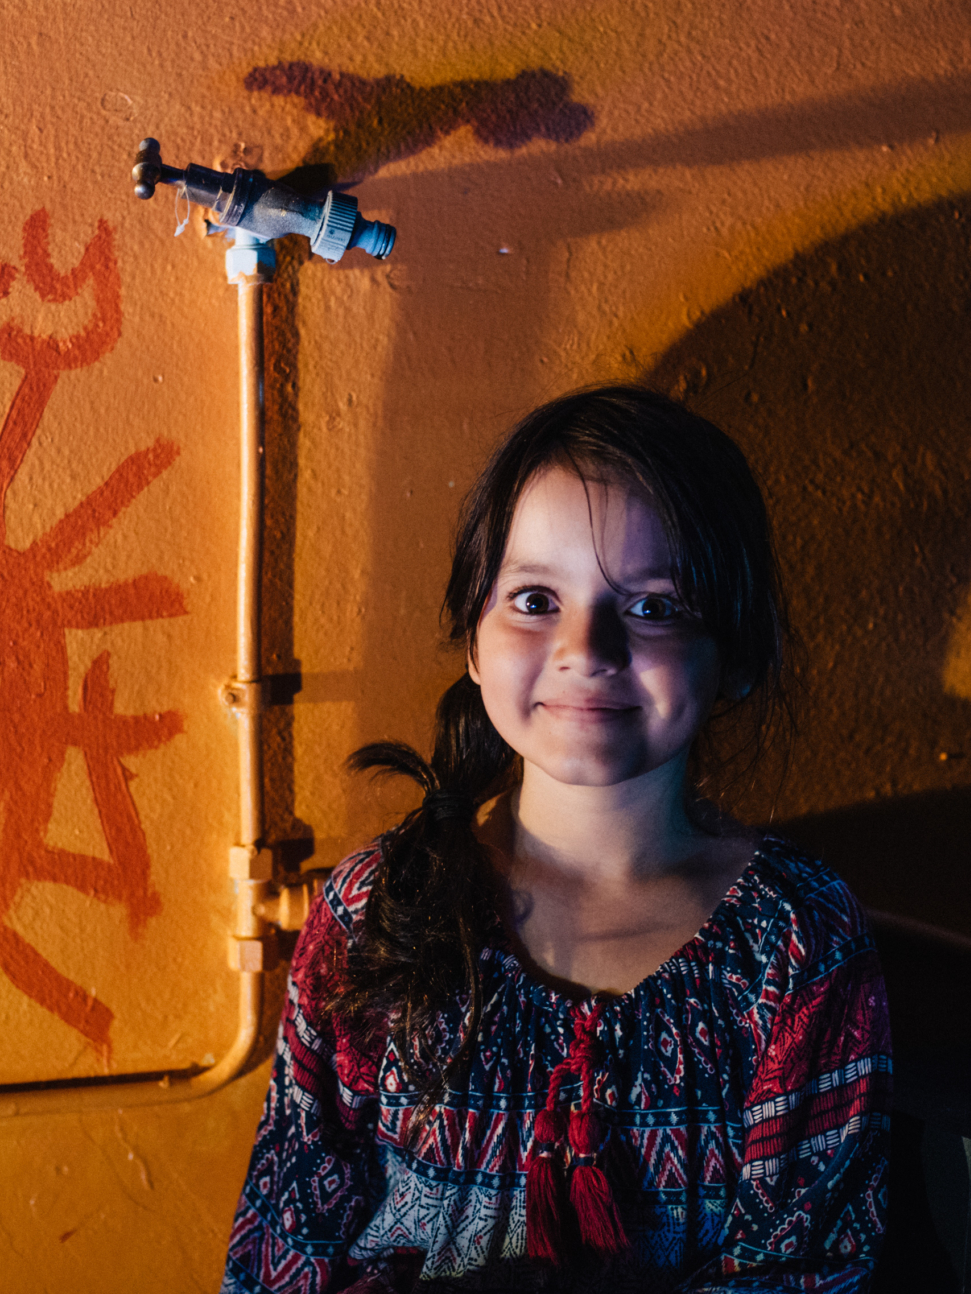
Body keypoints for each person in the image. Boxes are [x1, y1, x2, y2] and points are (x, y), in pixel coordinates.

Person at [224, 387, 890, 1291]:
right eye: (536, 599)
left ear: (734, 652)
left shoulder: (795, 941)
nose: (587, 647)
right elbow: (278, 1255)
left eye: (653, 606)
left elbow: (809, 1270)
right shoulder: (378, 910)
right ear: (474, 638)